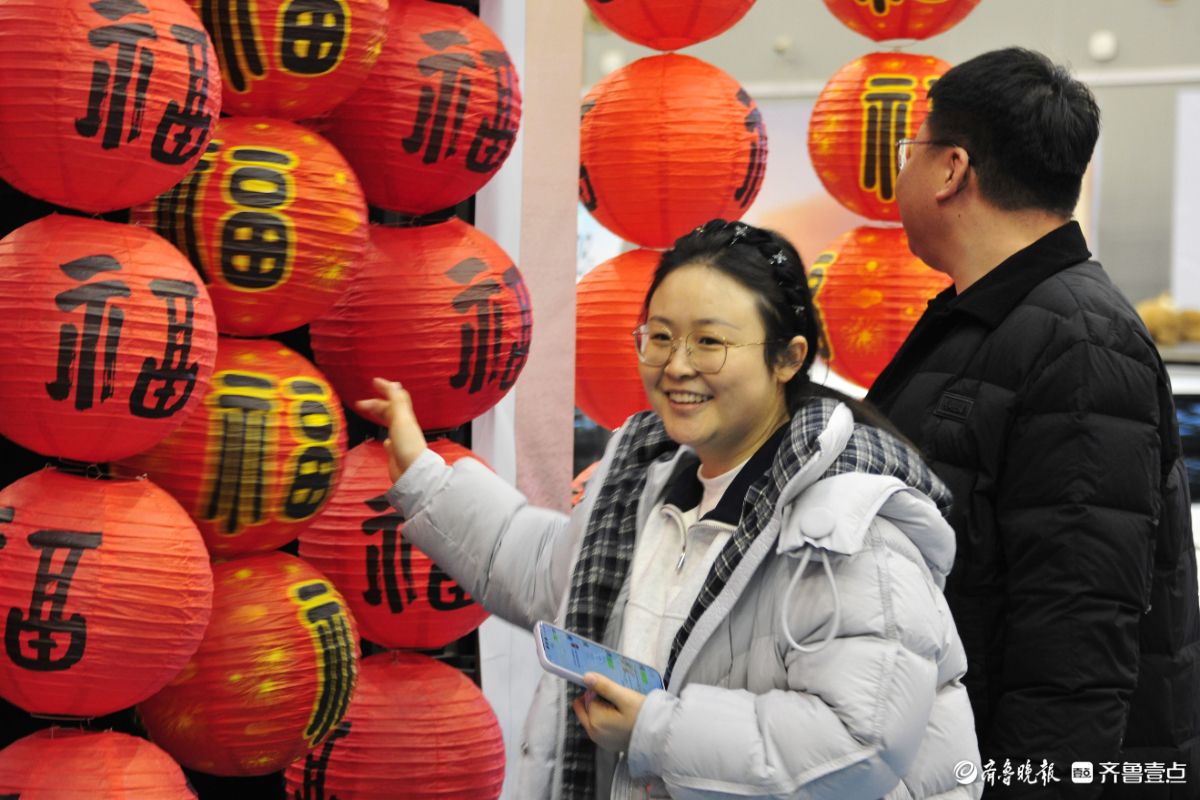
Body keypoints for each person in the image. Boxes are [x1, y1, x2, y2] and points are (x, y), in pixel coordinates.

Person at [357, 219, 982, 799]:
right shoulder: (646, 481)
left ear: (788, 358)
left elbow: (859, 742)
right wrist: (424, 476)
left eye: (709, 341)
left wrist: (656, 730)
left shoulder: (851, 525)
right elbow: (548, 570)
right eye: (659, 337)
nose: (677, 366)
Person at [867, 47, 1200, 796]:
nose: (903, 169)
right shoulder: (990, 317)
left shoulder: (1079, 340)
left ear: (952, 169)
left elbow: (1076, 639)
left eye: (910, 148)